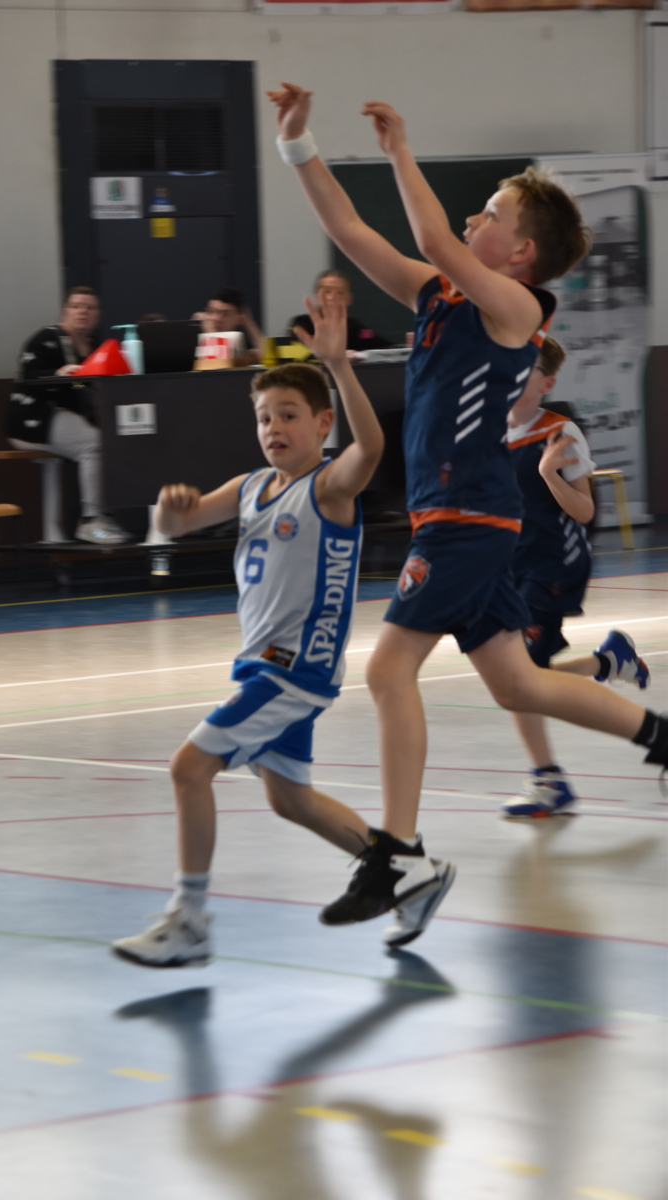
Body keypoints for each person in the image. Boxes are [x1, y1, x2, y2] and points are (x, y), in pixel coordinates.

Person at [267, 81, 668, 948]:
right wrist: (297, 144)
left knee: (388, 672)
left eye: (490, 211)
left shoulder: (519, 311)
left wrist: (400, 150)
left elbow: (430, 238)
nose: (472, 217)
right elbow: (353, 231)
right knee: (519, 683)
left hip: (467, 519)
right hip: (455, 518)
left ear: (521, 252)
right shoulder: (438, 298)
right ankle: (663, 739)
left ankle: (398, 855)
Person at [111, 292, 384, 967]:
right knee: (291, 800)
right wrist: (169, 511)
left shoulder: (330, 489)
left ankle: (190, 921)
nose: (274, 427)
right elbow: (179, 524)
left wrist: (338, 366)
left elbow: (372, 447)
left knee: (188, 768)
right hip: (262, 665)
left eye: (289, 414)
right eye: (264, 417)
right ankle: (404, 869)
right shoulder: (252, 486)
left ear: (322, 423)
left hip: (294, 669)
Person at [502, 335, 650, 818]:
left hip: (554, 564)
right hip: (512, 564)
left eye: (524, 369)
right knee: (523, 677)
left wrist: (549, 475)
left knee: (518, 676)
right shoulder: (492, 432)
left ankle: (548, 780)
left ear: (546, 384)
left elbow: (585, 511)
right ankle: (608, 661)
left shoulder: (559, 432)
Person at [8, 286, 130, 546]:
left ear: (98, 314)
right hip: (33, 418)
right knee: (94, 443)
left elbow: (80, 385)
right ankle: (90, 521)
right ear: (64, 311)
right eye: (76, 306)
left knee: (114, 440)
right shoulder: (46, 339)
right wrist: (58, 374)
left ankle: (104, 516)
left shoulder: (95, 346)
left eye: (89, 307)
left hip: (68, 417)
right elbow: (29, 376)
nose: (82, 312)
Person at [290, 269, 390, 352]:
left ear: (349, 298)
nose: (332, 297)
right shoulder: (302, 323)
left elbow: (387, 348)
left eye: (340, 292)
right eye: (327, 291)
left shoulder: (355, 328)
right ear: (316, 296)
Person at [193, 287, 266, 365]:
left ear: (239, 318)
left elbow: (265, 356)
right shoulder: (194, 337)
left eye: (225, 314)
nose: (216, 318)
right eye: (211, 311)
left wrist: (249, 322)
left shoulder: (237, 342)